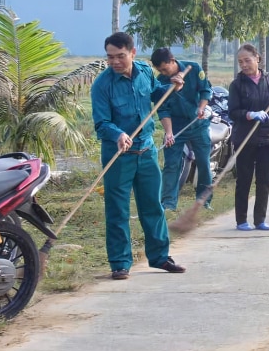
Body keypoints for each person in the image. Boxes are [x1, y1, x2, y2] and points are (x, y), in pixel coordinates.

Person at [90, 32, 186, 280]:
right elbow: (101, 123)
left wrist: (172, 87)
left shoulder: (144, 71)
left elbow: (155, 93)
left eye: (120, 56)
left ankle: (160, 257)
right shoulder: (102, 85)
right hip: (118, 155)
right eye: (110, 57)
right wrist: (118, 134)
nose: (115, 62)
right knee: (118, 210)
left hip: (146, 152)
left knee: (153, 206)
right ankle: (120, 263)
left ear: (133, 53)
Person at [228, 43, 269, 231]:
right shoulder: (236, 85)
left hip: (267, 137)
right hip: (245, 137)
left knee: (264, 180)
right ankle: (241, 220)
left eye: (247, 60)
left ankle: (260, 219)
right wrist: (250, 114)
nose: (244, 65)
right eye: (240, 62)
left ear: (257, 59)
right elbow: (233, 112)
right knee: (244, 180)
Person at [151, 48, 212, 212]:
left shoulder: (193, 68)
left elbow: (205, 90)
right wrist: (169, 133)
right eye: (160, 70)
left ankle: (204, 200)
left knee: (204, 163)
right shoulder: (161, 81)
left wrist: (201, 108)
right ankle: (168, 203)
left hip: (197, 123)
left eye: (165, 68)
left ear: (172, 61)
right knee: (171, 164)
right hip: (175, 125)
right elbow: (163, 110)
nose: (164, 72)